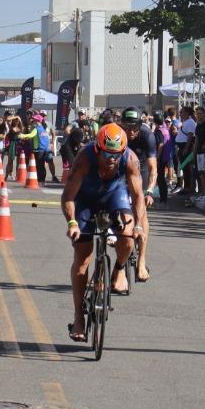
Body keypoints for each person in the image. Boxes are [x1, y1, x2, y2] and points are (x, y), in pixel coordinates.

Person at [61, 124, 145, 342]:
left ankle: (118, 270)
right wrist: (72, 223)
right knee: (82, 256)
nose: (112, 159)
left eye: (116, 155)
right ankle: (79, 317)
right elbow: (68, 196)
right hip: (85, 198)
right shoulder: (84, 159)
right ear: (98, 149)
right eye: (107, 154)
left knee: (127, 236)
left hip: (114, 194)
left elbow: (137, 197)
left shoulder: (129, 159)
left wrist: (137, 225)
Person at [121, 108, 157, 281]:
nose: (131, 131)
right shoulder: (117, 133)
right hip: (121, 168)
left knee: (141, 214)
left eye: (135, 127)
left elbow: (153, 169)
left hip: (140, 169)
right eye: (127, 127)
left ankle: (141, 262)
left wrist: (149, 191)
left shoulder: (147, 136)